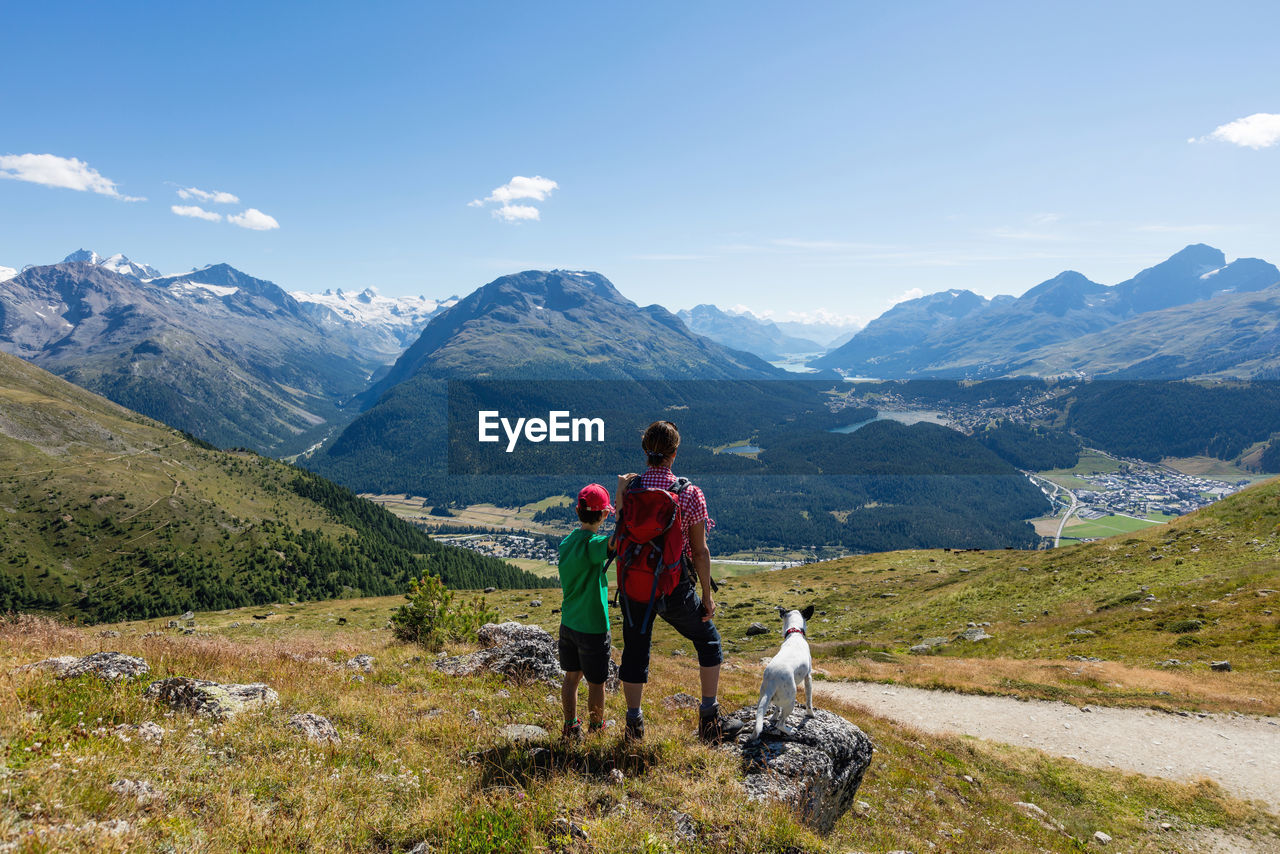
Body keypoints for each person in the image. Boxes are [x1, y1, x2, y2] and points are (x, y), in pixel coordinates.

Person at [615, 420, 744, 744]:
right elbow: (699, 551)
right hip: (673, 585)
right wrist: (706, 596)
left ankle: (634, 727)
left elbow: (621, 533)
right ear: (674, 453)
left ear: (646, 451)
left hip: (634, 585)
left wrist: (619, 492)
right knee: (709, 641)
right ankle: (709, 720)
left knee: (635, 652)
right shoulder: (689, 493)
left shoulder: (632, 488)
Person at [556, 483, 615, 739]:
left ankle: (571, 726)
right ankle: (596, 729)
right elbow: (617, 542)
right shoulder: (594, 546)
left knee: (571, 678)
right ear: (603, 515)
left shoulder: (567, 542)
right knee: (596, 683)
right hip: (592, 626)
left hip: (568, 623)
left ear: (577, 510)